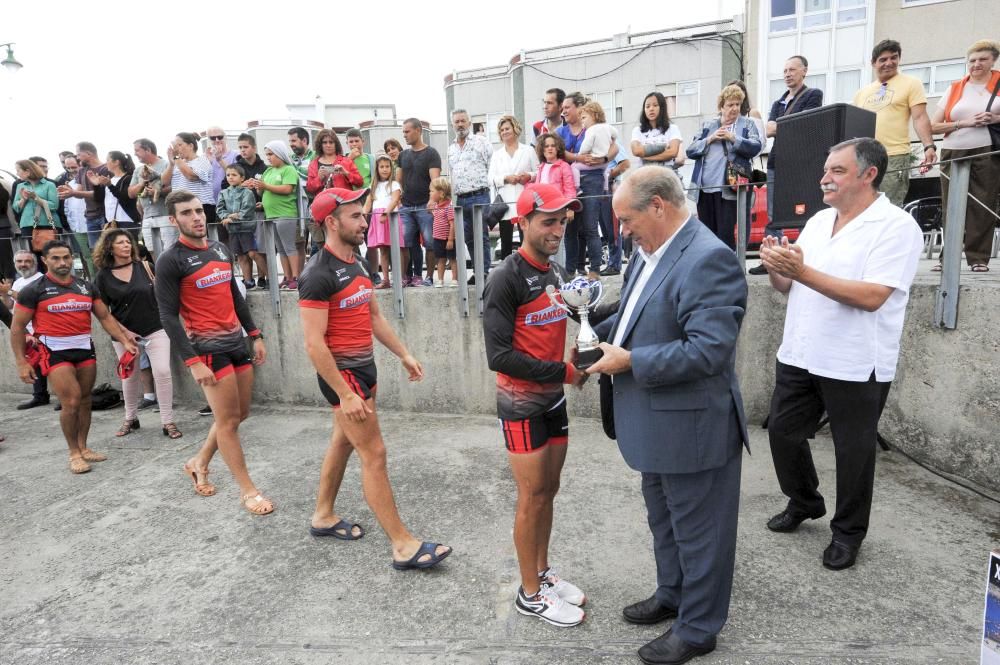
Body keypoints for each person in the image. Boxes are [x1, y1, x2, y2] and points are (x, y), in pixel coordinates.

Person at [586, 166, 749, 663]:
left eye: (627, 218)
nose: (623, 230)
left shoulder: (709, 259)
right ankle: (673, 594)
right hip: (656, 424)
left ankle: (698, 629)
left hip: (693, 429)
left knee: (701, 533)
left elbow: (709, 351)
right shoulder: (647, 251)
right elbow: (633, 313)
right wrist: (586, 326)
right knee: (664, 520)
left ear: (658, 205)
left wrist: (632, 361)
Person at [761, 138, 923, 572]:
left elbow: (873, 296)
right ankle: (805, 501)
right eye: (826, 169)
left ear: (868, 175)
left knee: (854, 453)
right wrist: (779, 269)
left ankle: (848, 533)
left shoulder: (895, 226)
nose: (824, 178)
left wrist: (802, 271)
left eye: (836, 171)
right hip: (801, 350)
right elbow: (790, 286)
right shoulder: (817, 222)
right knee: (782, 432)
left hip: (855, 361)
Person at [299, 186, 452, 569]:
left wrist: (404, 354)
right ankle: (403, 544)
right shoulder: (317, 274)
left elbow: (373, 316)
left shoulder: (358, 262)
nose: (364, 220)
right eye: (355, 216)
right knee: (375, 454)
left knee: (343, 442)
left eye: (363, 214)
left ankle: (323, 515)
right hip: (342, 375)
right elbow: (314, 345)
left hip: (365, 368)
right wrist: (344, 394)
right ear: (331, 222)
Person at [483, 183, 586, 627]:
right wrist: (564, 371)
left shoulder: (555, 273)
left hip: (554, 401)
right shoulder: (505, 277)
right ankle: (529, 593)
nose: (556, 229)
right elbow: (499, 357)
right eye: (547, 220)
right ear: (521, 222)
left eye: (562, 221)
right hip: (521, 403)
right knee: (530, 497)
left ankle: (542, 574)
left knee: (549, 491)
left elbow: (581, 317)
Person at [155, 189, 271, 514]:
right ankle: (248, 490)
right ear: (173, 219)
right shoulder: (171, 259)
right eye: (186, 213)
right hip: (207, 350)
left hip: (236, 344)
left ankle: (198, 461)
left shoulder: (220, 248)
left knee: (237, 415)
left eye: (197, 211)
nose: (195, 218)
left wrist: (255, 334)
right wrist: (192, 361)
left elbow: (234, 294)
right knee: (229, 422)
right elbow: (167, 315)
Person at [11, 240, 139, 474]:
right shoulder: (34, 290)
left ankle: (84, 447)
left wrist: (124, 340)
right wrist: (22, 362)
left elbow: (105, 318)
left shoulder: (86, 286)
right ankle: (74, 453)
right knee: (70, 401)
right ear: (45, 260)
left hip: (84, 348)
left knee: (85, 399)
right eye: (56, 258)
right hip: (54, 352)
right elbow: (18, 327)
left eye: (66, 257)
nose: (62, 262)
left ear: (72, 258)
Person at [92, 228, 181, 439]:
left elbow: (165, 295)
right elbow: (103, 313)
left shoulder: (146, 267)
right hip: (123, 334)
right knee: (129, 377)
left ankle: (168, 421)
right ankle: (130, 418)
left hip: (155, 327)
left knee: (162, 371)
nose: (126, 245)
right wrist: (124, 333)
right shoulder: (102, 277)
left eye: (127, 242)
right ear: (109, 248)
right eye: (120, 243)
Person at [749, 56, 825, 276]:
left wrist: (779, 125)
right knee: (774, 214)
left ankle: (806, 257)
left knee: (804, 210)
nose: (788, 74)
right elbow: (768, 130)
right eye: (784, 71)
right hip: (776, 161)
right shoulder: (778, 102)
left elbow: (803, 123)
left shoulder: (812, 95)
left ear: (804, 71)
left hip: (801, 162)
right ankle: (771, 259)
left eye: (792, 69)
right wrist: (781, 126)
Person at [930, 39, 1000, 273]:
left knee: (983, 201)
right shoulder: (955, 87)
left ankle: (978, 257)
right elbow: (933, 125)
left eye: (982, 59)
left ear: (993, 60)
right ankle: (947, 256)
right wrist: (965, 122)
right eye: (972, 60)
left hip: (987, 148)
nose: (976, 64)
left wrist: (996, 119)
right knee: (951, 204)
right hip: (953, 149)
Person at [853, 39, 938, 206]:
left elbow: (920, 117)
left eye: (894, 58)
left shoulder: (911, 83)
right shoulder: (862, 93)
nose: (889, 63)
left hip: (894, 156)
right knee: (862, 206)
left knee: (889, 206)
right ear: (873, 63)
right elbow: (854, 126)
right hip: (864, 157)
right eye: (883, 59)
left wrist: (929, 146)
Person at [686, 84, 762, 251]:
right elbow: (690, 150)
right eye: (730, 105)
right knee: (706, 236)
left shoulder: (747, 124)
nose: (735, 108)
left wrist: (734, 138)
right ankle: (710, 273)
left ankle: (726, 273)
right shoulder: (708, 125)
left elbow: (756, 147)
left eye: (737, 104)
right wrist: (709, 139)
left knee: (725, 235)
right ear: (721, 107)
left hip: (730, 188)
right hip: (705, 189)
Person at [559, 92, 613, 279]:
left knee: (591, 227)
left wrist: (604, 158)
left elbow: (615, 147)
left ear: (579, 107)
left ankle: (595, 270)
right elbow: (557, 152)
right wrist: (578, 157)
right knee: (570, 228)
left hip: (593, 178)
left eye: (567, 107)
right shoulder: (561, 131)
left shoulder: (595, 127)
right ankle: (570, 271)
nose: (563, 111)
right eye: (563, 108)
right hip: (568, 180)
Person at [448, 109, 493, 282]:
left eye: (463, 121)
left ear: (469, 122)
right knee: (468, 238)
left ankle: (484, 272)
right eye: (456, 121)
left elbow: (491, 166)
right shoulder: (451, 148)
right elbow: (452, 175)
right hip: (460, 199)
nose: (460, 124)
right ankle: (477, 270)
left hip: (479, 195)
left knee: (481, 235)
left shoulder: (482, 142)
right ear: (453, 124)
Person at [249, 141, 301, 290]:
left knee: (289, 246)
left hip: (285, 214)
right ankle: (287, 277)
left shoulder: (288, 169)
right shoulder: (268, 171)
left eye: (271, 154)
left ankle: (295, 277)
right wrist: (258, 187)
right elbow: (262, 192)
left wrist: (265, 186)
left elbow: (287, 189)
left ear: (280, 154)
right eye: (267, 155)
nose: (268, 158)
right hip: (270, 215)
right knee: (281, 248)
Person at [577, 101, 621, 277]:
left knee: (592, 228)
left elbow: (584, 149)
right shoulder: (608, 128)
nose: (582, 121)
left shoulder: (592, 131)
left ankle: (595, 267)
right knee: (588, 228)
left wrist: (584, 157)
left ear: (593, 115)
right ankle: (589, 267)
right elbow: (615, 137)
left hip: (591, 173)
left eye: (584, 117)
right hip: (600, 173)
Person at [488, 115, 539, 260]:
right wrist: (505, 178)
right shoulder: (497, 155)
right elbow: (490, 178)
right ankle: (506, 273)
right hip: (505, 203)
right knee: (505, 242)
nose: (504, 132)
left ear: (515, 129)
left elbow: (538, 172)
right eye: (502, 130)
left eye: (507, 128)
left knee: (526, 239)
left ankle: (527, 268)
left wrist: (528, 175)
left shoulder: (528, 150)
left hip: (524, 199)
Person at [398, 118, 441, 286]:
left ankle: (429, 277)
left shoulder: (431, 153)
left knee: (430, 242)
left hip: (426, 205)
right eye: (403, 132)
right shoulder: (403, 155)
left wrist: (432, 200)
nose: (405, 135)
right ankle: (408, 276)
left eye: (407, 131)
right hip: (406, 206)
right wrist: (400, 200)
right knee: (406, 242)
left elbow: (435, 181)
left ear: (418, 130)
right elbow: (398, 180)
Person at [7, 250, 50, 410]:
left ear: (35, 263)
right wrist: (4, 295)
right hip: (25, 331)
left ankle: (64, 396)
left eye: (27, 261)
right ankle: (40, 396)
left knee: (52, 364)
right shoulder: (18, 282)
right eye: (19, 261)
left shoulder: (41, 279)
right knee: (34, 364)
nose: (23, 264)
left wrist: (9, 292)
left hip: (41, 329)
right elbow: (10, 306)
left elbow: (29, 300)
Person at [533, 133, 577, 268]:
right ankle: (548, 271)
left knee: (559, 243)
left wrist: (570, 209)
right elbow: (536, 190)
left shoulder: (564, 166)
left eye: (553, 145)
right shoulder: (541, 167)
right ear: (542, 149)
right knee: (545, 243)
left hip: (559, 211)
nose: (550, 148)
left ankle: (560, 272)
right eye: (546, 146)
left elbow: (570, 188)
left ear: (558, 148)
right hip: (543, 211)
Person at [233, 133, 270, 289]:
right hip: (242, 215)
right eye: (240, 147)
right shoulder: (236, 167)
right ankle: (248, 280)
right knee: (245, 251)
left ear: (254, 147)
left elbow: (270, 190)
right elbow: (225, 187)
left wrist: (264, 201)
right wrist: (241, 185)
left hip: (260, 213)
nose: (243, 150)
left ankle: (265, 278)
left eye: (246, 147)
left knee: (261, 249)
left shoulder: (265, 168)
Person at [163, 133, 217, 238]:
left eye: (179, 145)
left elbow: (190, 176)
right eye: (175, 146)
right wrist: (171, 163)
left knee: (202, 241)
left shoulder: (202, 160)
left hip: (200, 207)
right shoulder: (177, 162)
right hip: (180, 207)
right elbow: (164, 182)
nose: (176, 149)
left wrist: (176, 158)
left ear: (191, 146)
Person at [56, 142, 108, 247]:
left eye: (79, 154)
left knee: (109, 250)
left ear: (88, 153)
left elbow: (100, 194)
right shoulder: (82, 171)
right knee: (95, 252)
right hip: (90, 217)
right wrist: (70, 192)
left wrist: (73, 192)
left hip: (105, 216)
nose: (77, 157)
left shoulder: (105, 169)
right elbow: (79, 193)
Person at [216, 164, 259, 290]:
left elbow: (247, 209)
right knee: (240, 255)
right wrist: (226, 216)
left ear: (242, 178)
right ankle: (248, 281)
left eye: (234, 175)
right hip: (233, 230)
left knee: (252, 253)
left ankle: (267, 277)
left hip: (247, 228)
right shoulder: (223, 193)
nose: (230, 177)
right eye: (228, 175)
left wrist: (235, 216)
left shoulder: (247, 192)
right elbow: (219, 209)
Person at [129, 138, 176, 254]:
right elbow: (131, 193)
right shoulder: (138, 170)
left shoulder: (167, 164)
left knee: (170, 252)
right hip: (147, 217)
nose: (135, 154)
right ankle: (158, 273)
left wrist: (157, 191)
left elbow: (176, 186)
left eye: (137, 150)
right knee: (152, 252)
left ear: (148, 150)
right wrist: (142, 183)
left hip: (166, 215)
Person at [363, 153, 403, 288]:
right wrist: (362, 214)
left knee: (395, 249)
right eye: (382, 167)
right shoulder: (373, 185)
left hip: (390, 217)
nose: (385, 169)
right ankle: (385, 279)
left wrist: (386, 212)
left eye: (387, 166)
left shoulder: (395, 184)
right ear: (377, 169)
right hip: (377, 219)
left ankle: (398, 278)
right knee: (383, 251)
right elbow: (368, 203)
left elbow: (395, 200)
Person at [12, 160, 63, 263]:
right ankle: (39, 279)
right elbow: (16, 208)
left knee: (52, 255)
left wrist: (36, 198)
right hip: (27, 225)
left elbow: (54, 206)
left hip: (48, 225)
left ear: (27, 171)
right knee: (33, 258)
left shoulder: (49, 184)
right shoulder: (20, 186)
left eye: (18, 170)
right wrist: (24, 199)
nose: (17, 173)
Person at [631, 92, 683, 170]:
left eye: (655, 105)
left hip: (666, 173)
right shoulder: (637, 130)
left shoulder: (673, 128)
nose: (651, 109)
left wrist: (647, 157)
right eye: (647, 106)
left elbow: (673, 152)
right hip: (644, 174)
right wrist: (664, 148)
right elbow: (636, 151)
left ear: (662, 107)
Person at [306, 130, 363, 195]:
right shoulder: (313, 164)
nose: (328, 145)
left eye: (331, 142)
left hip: (344, 202)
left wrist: (346, 173)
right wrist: (319, 178)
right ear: (320, 144)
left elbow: (360, 183)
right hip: (322, 203)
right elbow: (309, 189)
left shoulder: (346, 161)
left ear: (336, 144)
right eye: (325, 142)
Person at [101, 151, 141, 238]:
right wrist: (96, 184)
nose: (105, 163)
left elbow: (125, 197)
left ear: (116, 162)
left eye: (108, 160)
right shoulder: (110, 179)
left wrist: (110, 186)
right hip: (111, 222)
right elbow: (101, 200)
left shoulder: (128, 178)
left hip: (127, 221)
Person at [428, 176, 457, 287]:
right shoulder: (436, 206)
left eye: (432, 191)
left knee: (452, 259)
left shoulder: (449, 207)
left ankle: (454, 279)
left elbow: (452, 224)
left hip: (447, 239)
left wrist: (450, 239)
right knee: (440, 259)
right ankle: (440, 280)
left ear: (441, 194)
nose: (430, 193)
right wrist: (431, 211)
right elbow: (436, 217)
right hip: (438, 238)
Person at [205, 126, 238, 206]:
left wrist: (220, 159)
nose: (217, 140)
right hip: (211, 203)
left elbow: (235, 173)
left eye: (220, 137)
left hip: (231, 202)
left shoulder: (236, 154)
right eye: (213, 138)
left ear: (225, 138)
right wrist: (208, 161)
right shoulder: (205, 156)